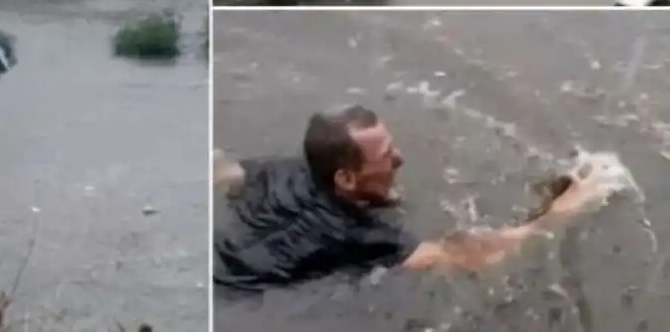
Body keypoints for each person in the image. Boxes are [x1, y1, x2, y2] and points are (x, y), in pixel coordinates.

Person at [213, 105, 604, 291]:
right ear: (345, 178)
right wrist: (558, 213)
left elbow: (219, 171)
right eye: (387, 157)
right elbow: (470, 257)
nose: (400, 159)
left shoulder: (271, 172)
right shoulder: (363, 234)